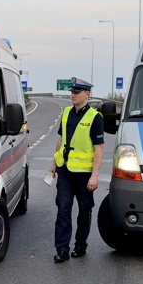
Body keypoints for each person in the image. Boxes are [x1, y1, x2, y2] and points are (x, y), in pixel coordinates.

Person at [49, 77, 104, 263]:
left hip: (84, 174)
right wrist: (55, 162)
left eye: (77, 92)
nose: (72, 95)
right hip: (65, 170)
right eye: (72, 92)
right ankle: (62, 249)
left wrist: (95, 176)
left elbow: (99, 148)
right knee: (63, 210)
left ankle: (80, 244)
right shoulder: (66, 113)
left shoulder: (95, 117)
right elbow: (61, 139)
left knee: (83, 210)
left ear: (87, 94)